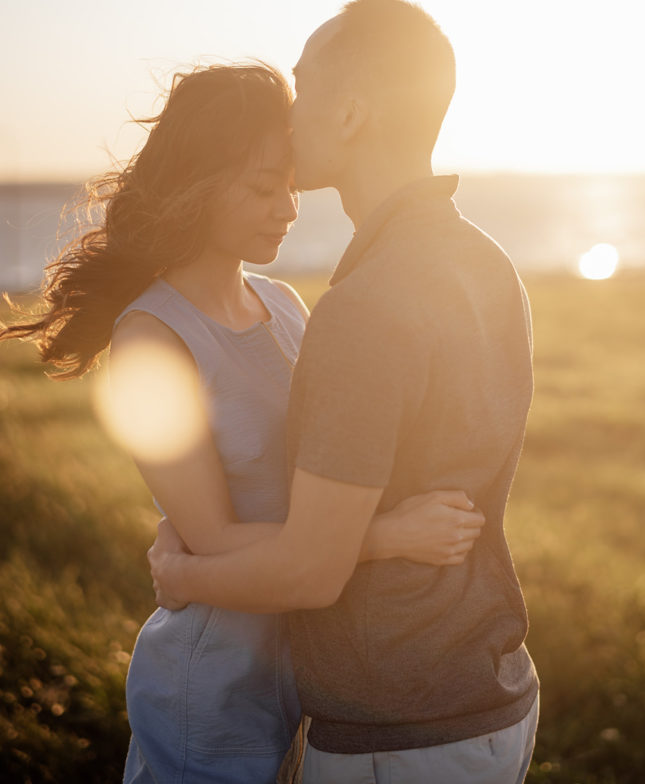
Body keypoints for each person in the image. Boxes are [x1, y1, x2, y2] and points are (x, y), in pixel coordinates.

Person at [0, 61, 485, 784]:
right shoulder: (151, 341)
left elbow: (334, 462)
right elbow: (213, 541)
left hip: (313, 667)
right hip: (218, 682)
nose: (288, 209)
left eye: (290, 186)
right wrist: (389, 537)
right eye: (263, 188)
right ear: (194, 185)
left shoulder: (285, 303)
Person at [150, 0, 540, 784]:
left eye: (301, 86)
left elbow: (308, 573)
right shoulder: (484, 259)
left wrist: (181, 576)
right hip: (494, 697)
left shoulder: (361, 308)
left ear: (353, 112)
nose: (287, 117)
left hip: (395, 728)